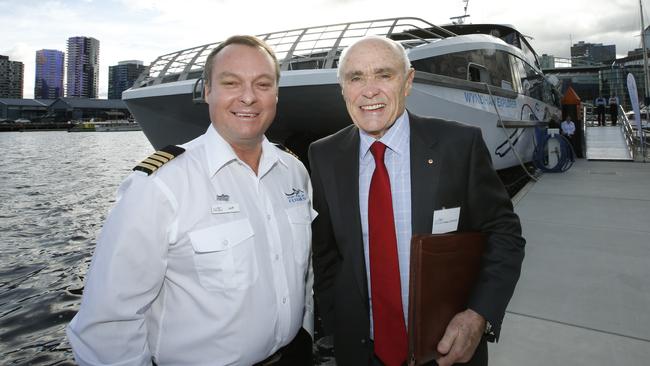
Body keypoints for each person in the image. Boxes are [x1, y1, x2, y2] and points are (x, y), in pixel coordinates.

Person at [67, 35, 315, 366]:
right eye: (231, 82)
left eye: (263, 84)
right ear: (207, 91)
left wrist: (307, 335)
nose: (248, 97)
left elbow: (305, 275)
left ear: (276, 94)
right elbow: (108, 323)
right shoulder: (160, 185)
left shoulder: (294, 172)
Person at [308, 36, 525, 366]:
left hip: (446, 351)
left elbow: (504, 234)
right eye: (356, 78)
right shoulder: (323, 155)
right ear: (342, 89)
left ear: (407, 82)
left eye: (384, 75)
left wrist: (478, 315)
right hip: (360, 352)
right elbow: (326, 255)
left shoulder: (458, 145)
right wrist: (339, 323)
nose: (369, 90)